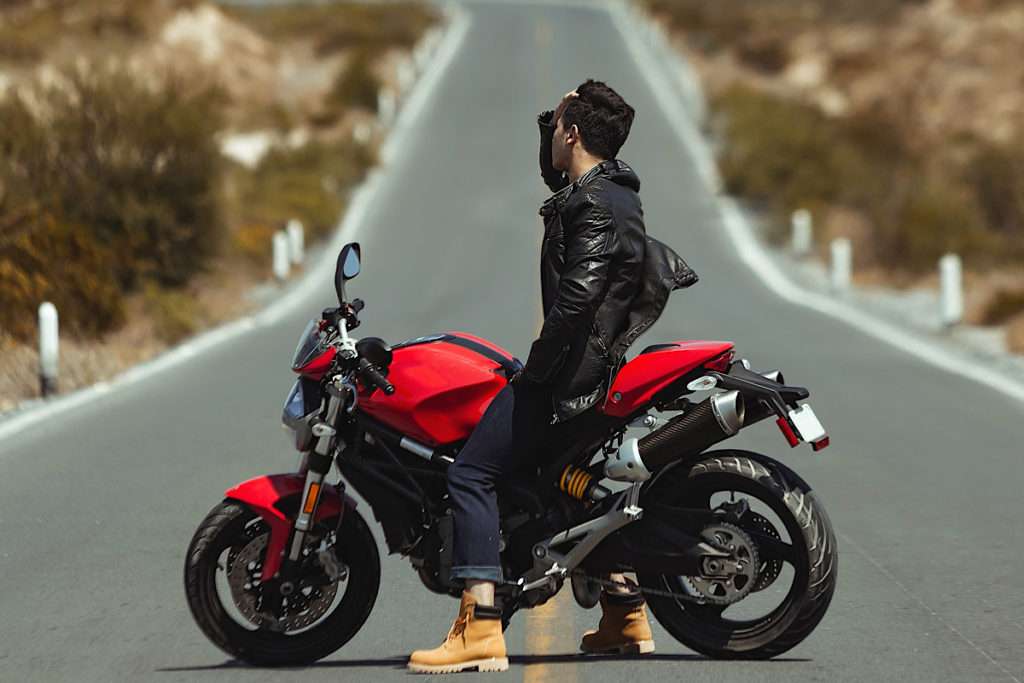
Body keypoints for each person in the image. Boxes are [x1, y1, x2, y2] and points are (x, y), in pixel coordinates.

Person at [408, 79, 697, 675]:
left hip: (569, 378)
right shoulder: (614, 189)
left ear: (574, 135)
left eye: (560, 125)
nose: (554, 135)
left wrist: (537, 372)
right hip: (597, 370)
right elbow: (555, 173)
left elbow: (578, 297)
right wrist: (557, 117)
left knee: (470, 474)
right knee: (561, 488)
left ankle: (480, 626)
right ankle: (625, 613)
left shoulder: (592, 202)